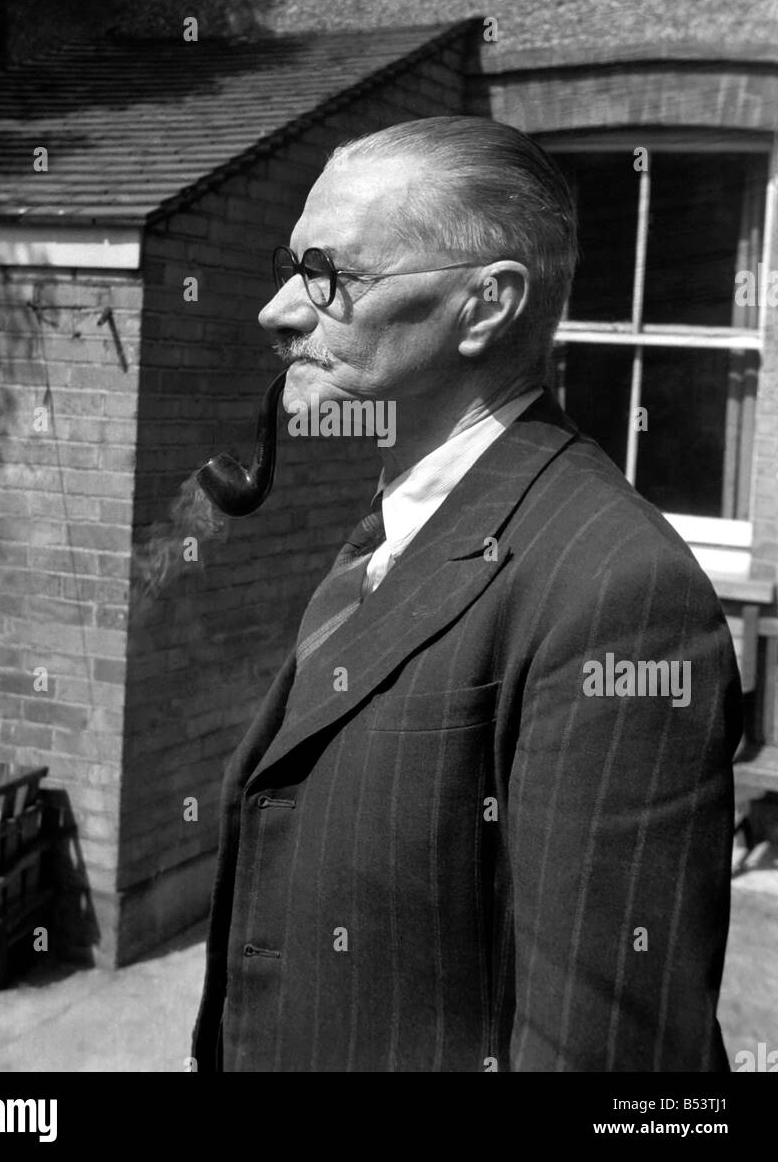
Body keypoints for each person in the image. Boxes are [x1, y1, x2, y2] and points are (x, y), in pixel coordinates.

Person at [192, 116, 742, 1072]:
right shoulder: (394, 534)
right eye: (293, 267)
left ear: (485, 306)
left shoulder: (620, 594)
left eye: (330, 276)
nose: (280, 310)